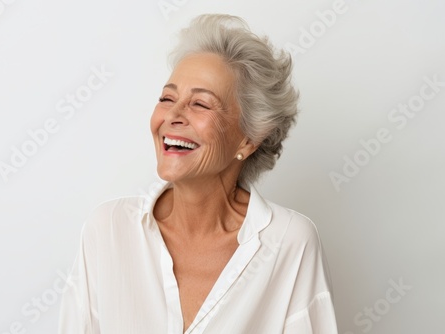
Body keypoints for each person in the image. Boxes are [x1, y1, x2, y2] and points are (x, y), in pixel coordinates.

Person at [58, 14, 338, 334]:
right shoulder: (108, 229)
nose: (173, 116)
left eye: (201, 104)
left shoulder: (290, 242)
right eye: (167, 98)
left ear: (248, 139)